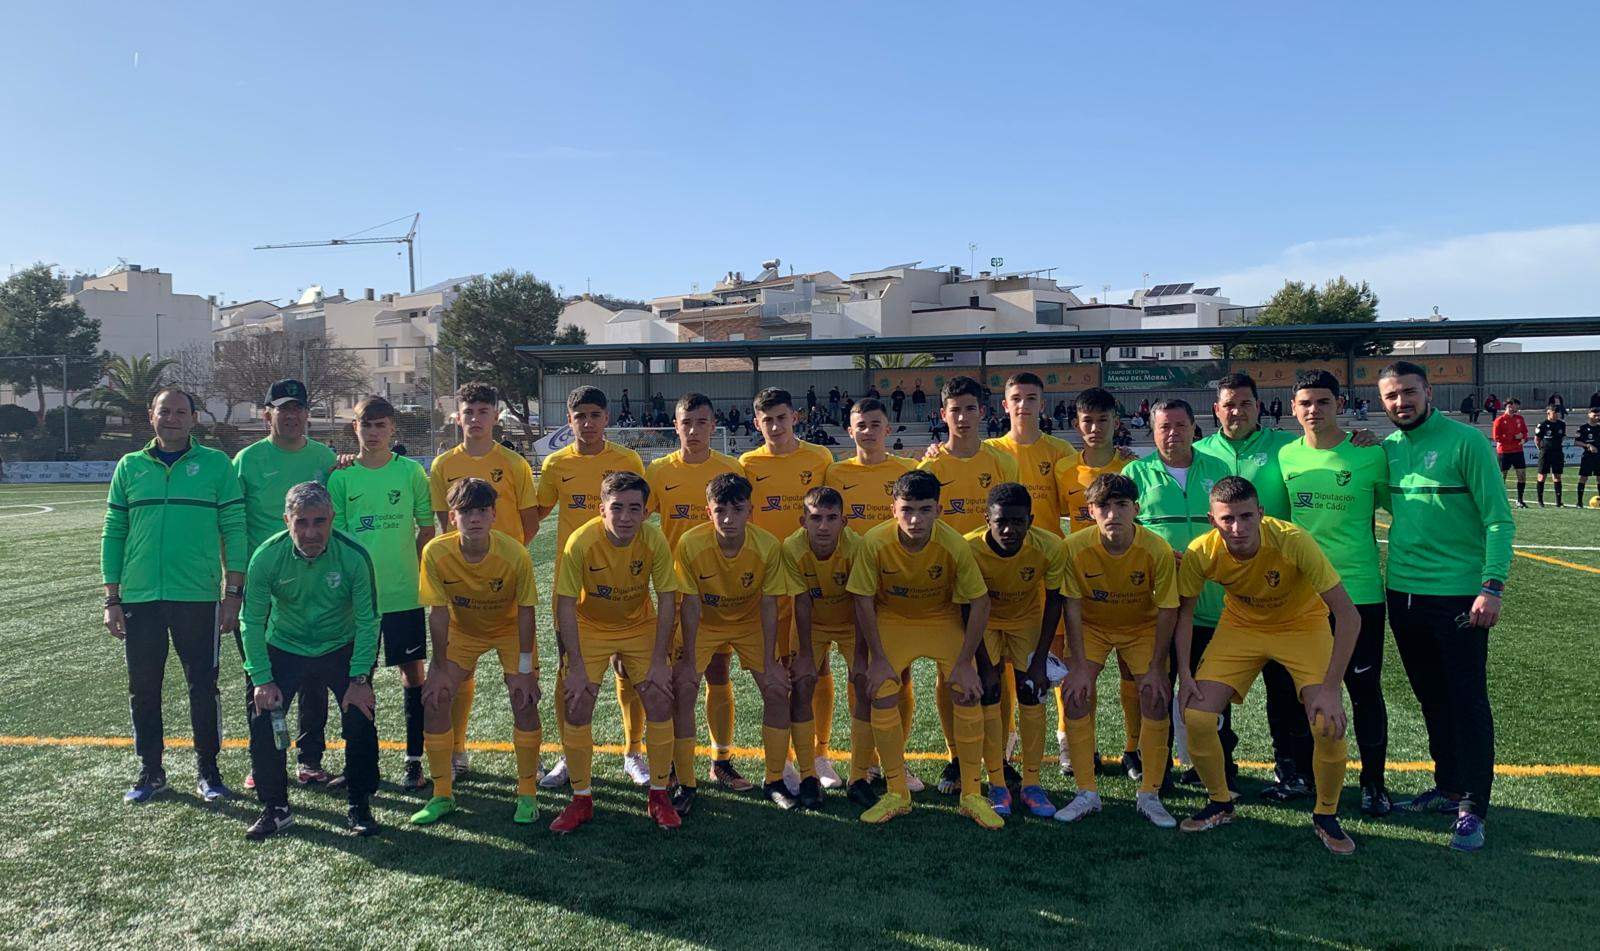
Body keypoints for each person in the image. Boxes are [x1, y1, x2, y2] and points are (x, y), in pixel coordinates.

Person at [1174, 477, 1361, 855]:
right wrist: (1185, 674)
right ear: (1212, 520)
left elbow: (1349, 616)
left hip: (1303, 626)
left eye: (1246, 516)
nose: (1238, 528)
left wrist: (1331, 688)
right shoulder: (1200, 551)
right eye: (1227, 519)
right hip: (1241, 626)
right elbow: (1185, 613)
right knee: (1195, 714)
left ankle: (1326, 814)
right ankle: (1220, 803)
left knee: (1326, 722)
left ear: (1261, 513)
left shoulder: (1293, 541)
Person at [1197, 372, 1358, 802]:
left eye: (1245, 403)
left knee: (1285, 692)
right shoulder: (1198, 453)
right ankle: (1221, 772)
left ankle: (1292, 770)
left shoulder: (1283, 448)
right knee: (1216, 692)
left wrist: (1359, 439)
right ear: (1216, 409)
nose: (1237, 411)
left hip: (1288, 589)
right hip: (1225, 595)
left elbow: (1322, 452)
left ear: (1258, 406)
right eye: (1228, 404)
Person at [1378, 361, 1513, 852]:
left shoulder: (1467, 442)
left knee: (1467, 699)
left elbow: (1499, 521)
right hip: (1404, 594)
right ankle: (1449, 784)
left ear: (1428, 392)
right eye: (1391, 396)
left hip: (1460, 596)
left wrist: (1491, 587)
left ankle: (1474, 807)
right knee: (1431, 696)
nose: (1400, 403)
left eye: (1409, 393)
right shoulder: (1387, 450)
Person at [102, 386, 247, 804]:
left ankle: (210, 772)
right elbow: (114, 534)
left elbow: (234, 530)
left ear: (194, 418)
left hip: (198, 597)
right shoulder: (129, 467)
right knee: (143, 688)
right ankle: (151, 770)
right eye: (165, 411)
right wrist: (112, 597)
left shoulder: (217, 465)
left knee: (203, 686)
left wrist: (232, 590)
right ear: (152, 415)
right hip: (141, 599)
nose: (172, 418)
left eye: (181, 412)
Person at [850, 470, 1000, 829]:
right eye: (907, 509)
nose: (915, 519)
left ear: (939, 510)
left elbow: (979, 603)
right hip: (894, 619)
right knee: (882, 691)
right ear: (893, 509)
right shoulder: (874, 542)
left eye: (924, 509)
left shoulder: (953, 545)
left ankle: (972, 794)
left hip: (940, 618)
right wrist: (878, 659)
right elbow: (863, 600)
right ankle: (897, 792)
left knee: (966, 690)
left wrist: (965, 662)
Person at [1278, 370, 1392, 815]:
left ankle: (1374, 783)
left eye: (1323, 402)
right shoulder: (1285, 457)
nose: (1313, 410)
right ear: (1293, 408)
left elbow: (1397, 507)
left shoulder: (1369, 455)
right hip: (1301, 596)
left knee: (1364, 688)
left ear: (1339, 405)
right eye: (1305, 402)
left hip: (1358, 590)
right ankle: (1304, 777)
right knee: (1300, 690)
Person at [239, 482, 380, 840]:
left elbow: (368, 620)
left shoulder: (354, 556)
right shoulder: (266, 557)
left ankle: (359, 804)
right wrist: (261, 677)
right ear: (286, 520)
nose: (311, 532)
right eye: (301, 522)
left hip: (340, 646)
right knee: (262, 718)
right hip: (285, 646)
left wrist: (360, 679)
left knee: (360, 716)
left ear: (333, 518)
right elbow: (251, 621)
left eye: (320, 521)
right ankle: (276, 808)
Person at [549, 471, 680, 833]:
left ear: (645, 512)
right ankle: (581, 799)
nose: (625, 517)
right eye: (617, 508)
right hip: (589, 626)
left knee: (659, 697)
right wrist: (574, 664)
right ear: (601, 508)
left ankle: (658, 794)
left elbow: (667, 598)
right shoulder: (581, 541)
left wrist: (658, 660)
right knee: (576, 700)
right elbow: (564, 604)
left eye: (634, 509)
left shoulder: (653, 540)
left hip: (638, 626)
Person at [531, 386, 647, 790]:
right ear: (569, 420)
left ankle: (633, 753)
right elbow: (537, 513)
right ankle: (569, 754)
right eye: (580, 415)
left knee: (627, 670)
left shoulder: (627, 461)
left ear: (607, 417)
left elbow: (639, 515)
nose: (588, 423)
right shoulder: (555, 464)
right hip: (572, 586)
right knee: (570, 672)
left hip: (622, 582)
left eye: (595, 414)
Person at [409, 478, 542, 826]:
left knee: (524, 699)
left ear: (494, 515)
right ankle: (442, 795)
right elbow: (437, 613)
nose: (474, 518)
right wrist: (437, 666)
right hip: (462, 630)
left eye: (482, 510)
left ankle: (528, 793)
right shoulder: (436, 552)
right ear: (452, 517)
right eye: (465, 511)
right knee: (435, 697)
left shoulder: (515, 553)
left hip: (510, 629)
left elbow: (527, 610)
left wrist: (526, 668)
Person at [669, 473, 804, 812]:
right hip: (704, 624)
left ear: (750, 511)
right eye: (720, 510)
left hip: (749, 624)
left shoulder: (767, 545)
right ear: (708, 511)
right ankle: (685, 782)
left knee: (776, 689)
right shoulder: (690, 543)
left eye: (737, 509)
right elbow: (690, 603)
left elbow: (770, 602)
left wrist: (772, 662)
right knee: (683, 688)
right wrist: (687, 658)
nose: (728, 519)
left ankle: (773, 780)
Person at [1123, 400, 1237, 793]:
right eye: (1164, 427)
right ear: (1151, 431)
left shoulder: (1218, 470)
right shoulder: (1134, 472)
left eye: (1180, 425)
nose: (1172, 433)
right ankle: (1155, 764)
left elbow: (1234, 524)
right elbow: (1124, 533)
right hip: (1155, 606)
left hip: (1212, 601)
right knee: (1157, 686)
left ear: (1194, 428)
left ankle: (1219, 762)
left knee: (1209, 686)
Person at [643, 392, 747, 808]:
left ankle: (721, 760)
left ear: (713, 424)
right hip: (674, 591)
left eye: (702, 422)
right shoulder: (658, 470)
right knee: (674, 679)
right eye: (687, 422)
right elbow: (640, 522)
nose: (694, 430)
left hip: (719, 592)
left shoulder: (730, 469)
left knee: (718, 672)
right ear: (676, 425)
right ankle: (669, 765)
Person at [1057, 473, 1178, 828]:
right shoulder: (1074, 548)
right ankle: (1086, 793)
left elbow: (1168, 608)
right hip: (1092, 627)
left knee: (1156, 695)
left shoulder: (1156, 549)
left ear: (1136, 509)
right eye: (1104, 507)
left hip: (1141, 627)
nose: (1113, 514)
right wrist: (1078, 666)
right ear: (1090, 511)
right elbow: (1073, 607)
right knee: (1076, 694)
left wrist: (1157, 667)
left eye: (1121, 505)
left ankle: (1150, 795)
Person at [429, 382, 538, 777]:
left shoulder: (513, 463)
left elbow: (529, 521)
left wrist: (506, 558)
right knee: (459, 674)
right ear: (457, 416)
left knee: (525, 678)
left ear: (495, 416)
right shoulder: (442, 466)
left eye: (482, 412)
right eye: (468, 412)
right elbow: (445, 524)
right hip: (463, 585)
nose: (475, 419)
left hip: (507, 582)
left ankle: (532, 757)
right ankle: (456, 752)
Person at [232, 379, 338, 786]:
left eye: (298, 408)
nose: (291, 415)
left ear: (307, 414)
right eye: (282, 409)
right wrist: (235, 576)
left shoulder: (324, 456)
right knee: (259, 673)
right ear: (267, 415)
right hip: (263, 584)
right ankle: (263, 760)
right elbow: (233, 522)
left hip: (314, 582)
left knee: (314, 674)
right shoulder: (246, 460)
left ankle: (310, 759)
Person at [916, 377, 1019, 792]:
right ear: (943, 414)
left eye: (970, 409)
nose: (962, 417)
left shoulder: (1001, 463)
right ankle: (957, 758)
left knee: (999, 672)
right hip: (945, 588)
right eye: (954, 409)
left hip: (993, 585)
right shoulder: (931, 467)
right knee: (950, 672)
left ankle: (1001, 758)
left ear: (983, 412)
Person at [328, 395, 435, 789]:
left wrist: (426, 577)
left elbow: (426, 530)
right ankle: (360, 763)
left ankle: (414, 760)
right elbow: (333, 540)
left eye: (380, 425)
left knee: (413, 675)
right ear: (354, 428)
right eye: (365, 424)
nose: (372, 432)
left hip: (403, 593)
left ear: (393, 429)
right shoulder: (341, 477)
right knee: (357, 677)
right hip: (357, 600)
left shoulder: (409, 473)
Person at [739, 388, 835, 791]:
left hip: (811, 576)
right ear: (757, 422)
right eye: (767, 420)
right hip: (767, 582)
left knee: (817, 667)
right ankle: (789, 758)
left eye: (781, 417)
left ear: (795, 417)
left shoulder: (820, 458)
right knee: (778, 671)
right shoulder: (747, 463)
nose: (775, 426)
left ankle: (821, 753)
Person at [821, 397, 917, 790]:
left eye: (875, 424)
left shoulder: (907, 470)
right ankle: (835, 756)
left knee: (901, 672)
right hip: (844, 585)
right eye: (861, 425)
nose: (868, 431)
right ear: (850, 430)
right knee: (853, 671)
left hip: (894, 586)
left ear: (887, 429)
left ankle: (895, 758)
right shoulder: (835, 472)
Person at [965, 482, 1067, 819]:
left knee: (1032, 693)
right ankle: (997, 782)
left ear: (1031, 520)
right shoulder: (968, 549)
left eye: (1019, 522)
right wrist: (984, 665)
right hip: (985, 625)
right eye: (1001, 522)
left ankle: (1032, 784)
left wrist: (1040, 660)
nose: (1009, 530)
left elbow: (1055, 601)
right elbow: (968, 608)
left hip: (1026, 622)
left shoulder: (1049, 547)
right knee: (989, 695)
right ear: (987, 519)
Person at [1053, 387, 1140, 777]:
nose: (1094, 427)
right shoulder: (1063, 469)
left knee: (1130, 670)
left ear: (1115, 423)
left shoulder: (1134, 468)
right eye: (1087, 420)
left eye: (1103, 420)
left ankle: (1134, 749)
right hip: (1081, 584)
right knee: (1076, 670)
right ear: (1076, 424)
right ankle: (1073, 746)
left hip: (1127, 584)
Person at [785, 487, 878, 806]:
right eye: (815, 518)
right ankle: (809, 775)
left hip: (853, 624)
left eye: (831, 518)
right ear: (803, 521)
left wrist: (862, 658)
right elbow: (801, 603)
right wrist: (806, 656)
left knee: (864, 684)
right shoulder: (792, 548)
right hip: (814, 623)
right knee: (802, 683)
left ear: (844, 522)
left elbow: (862, 602)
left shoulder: (858, 548)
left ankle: (858, 776)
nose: (823, 526)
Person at [1491, 399, 1530, 508]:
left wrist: (1524, 439)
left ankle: (1520, 500)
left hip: (1518, 451)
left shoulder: (1519, 418)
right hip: (1504, 452)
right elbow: (1496, 437)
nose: (1517, 407)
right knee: (1502, 477)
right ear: (1509, 406)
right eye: (1516, 405)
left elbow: (1525, 433)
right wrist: (1513, 437)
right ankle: (1499, 500)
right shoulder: (1499, 420)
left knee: (1522, 475)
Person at [1534, 404, 1567, 507]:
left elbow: (1562, 437)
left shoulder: (1561, 424)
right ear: (1548, 413)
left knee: (1557, 476)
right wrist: (1541, 449)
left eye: (1558, 412)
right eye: (1555, 412)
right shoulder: (1542, 424)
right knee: (1542, 476)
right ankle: (1540, 501)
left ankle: (1558, 501)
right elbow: (1537, 439)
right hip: (1545, 453)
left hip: (1557, 453)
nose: (1557, 414)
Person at [1574, 407, 1600, 507]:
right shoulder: (1583, 428)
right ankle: (1579, 502)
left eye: (1598, 415)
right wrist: (1588, 445)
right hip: (1588, 457)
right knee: (1583, 478)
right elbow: (1576, 442)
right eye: (1595, 415)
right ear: (1589, 415)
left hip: (1599, 457)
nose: (1597, 417)